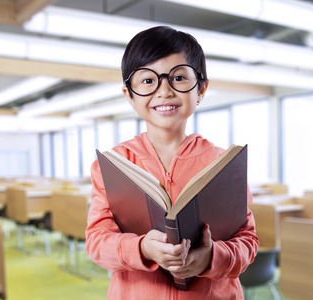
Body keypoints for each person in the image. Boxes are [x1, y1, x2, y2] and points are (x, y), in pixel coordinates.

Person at [85, 25, 259, 299]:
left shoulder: (224, 164)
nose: (164, 91)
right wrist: (142, 248)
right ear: (129, 95)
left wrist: (213, 256)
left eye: (178, 78)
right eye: (147, 80)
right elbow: (97, 243)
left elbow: (247, 243)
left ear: (200, 90)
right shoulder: (114, 164)